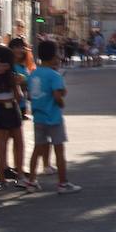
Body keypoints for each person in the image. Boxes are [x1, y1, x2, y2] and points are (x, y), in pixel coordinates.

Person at [24, 40, 79, 194]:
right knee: (59, 151)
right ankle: (62, 183)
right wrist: (61, 102)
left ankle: (31, 181)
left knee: (37, 149)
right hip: (53, 117)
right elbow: (57, 95)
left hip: (39, 117)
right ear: (54, 56)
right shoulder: (54, 75)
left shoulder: (33, 74)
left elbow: (30, 95)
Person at [0, 45, 26, 192]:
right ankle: (19, 175)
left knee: (0, 146)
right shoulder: (11, 75)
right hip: (11, 108)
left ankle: (1, 179)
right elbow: (19, 96)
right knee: (18, 143)